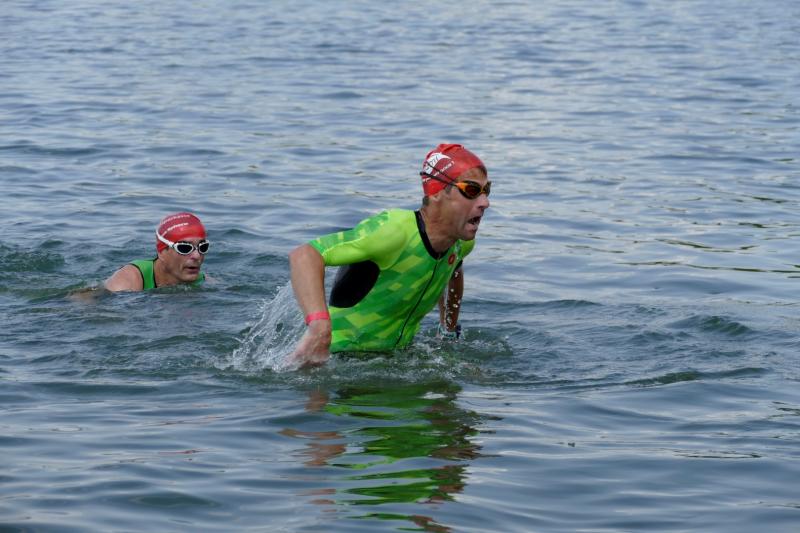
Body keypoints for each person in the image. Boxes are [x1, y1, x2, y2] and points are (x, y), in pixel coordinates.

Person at [288, 143, 491, 367]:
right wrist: (319, 327)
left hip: (395, 358)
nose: (485, 203)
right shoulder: (393, 231)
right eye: (471, 190)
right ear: (436, 192)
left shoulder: (461, 243)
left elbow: (454, 269)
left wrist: (448, 330)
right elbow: (305, 255)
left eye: (486, 191)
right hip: (334, 360)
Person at [104, 212, 210, 292]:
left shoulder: (204, 281)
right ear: (161, 251)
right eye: (185, 248)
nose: (197, 256)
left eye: (203, 247)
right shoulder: (127, 281)